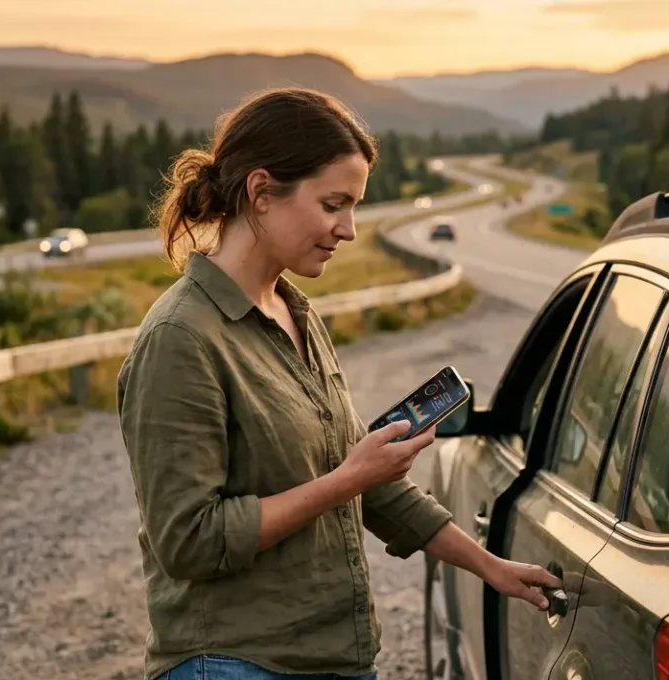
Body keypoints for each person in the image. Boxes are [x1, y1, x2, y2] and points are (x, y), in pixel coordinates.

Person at [116, 87, 560, 680]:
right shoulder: (180, 338)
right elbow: (191, 540)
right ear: (262, 192)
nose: (348, 229)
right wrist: (347, 479)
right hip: (233, 665)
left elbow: (369, 485)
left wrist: (491, 567)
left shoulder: (295, 312)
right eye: (333, 204)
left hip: (334, 658)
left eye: (353, 206)